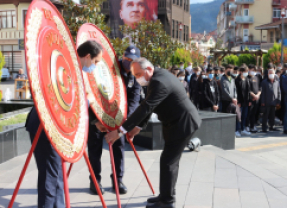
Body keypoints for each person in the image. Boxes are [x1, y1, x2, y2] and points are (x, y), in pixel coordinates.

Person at [105, 58, 201, 208]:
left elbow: (146, 107)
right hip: (176, 123)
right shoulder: (157, 77)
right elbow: (153, 105)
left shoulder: (159, 82)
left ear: (149, 69)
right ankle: (165, 195)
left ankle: (167, 202)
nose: (137, 79)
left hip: (183, 124)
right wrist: (138, 127)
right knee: (169, 162)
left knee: (168, 162)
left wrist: (121, 131)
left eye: (138, 74)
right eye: (135, 75)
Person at [25, 40, 104, 207]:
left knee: (57, 175)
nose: (95, 66)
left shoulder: (71, 67)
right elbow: (64, 102)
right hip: (45, 126)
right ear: (88, 56)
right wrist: (87, 101)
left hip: (55, 126)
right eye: (95, 62)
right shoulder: (65, 67)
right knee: (49, 177)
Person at [88, 46, 142, 195]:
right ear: (122, 57)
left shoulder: (135, 74)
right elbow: (91, 91)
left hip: (118, 118)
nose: (128, 62)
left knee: (119, 149)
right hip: (99, 116)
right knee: (94, 149)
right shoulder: (109, 68)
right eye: (126, 59)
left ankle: (117, 180)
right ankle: (95, 181)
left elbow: (134, 100)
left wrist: (123, 122)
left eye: (132, 61)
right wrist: (95, 119)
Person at [235, 67, 251, 136]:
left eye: (247, 71)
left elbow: (249, 91)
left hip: (246, 101)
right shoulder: (237, 80)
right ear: (241, 72)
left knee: (244, 116)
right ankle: (237, 130)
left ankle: (242, 129)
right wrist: (238, 102)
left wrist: (249, 100)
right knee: (239, 117)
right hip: (240, 102)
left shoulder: (247, 79)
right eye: (245, 71)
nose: (246, 73)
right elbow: (236, 91)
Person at [246, 66, 261, 133]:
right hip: (250, 99)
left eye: (254, 70)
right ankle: (247, 126)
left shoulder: (256, 78)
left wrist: (257, 95)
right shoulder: (247, 78)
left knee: (254, 113)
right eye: (252, 70)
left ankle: (253, 126)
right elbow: (248, 90)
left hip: (257, 99)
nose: (253, 71)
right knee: (249, 113)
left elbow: (260, 88)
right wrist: (253, 96)